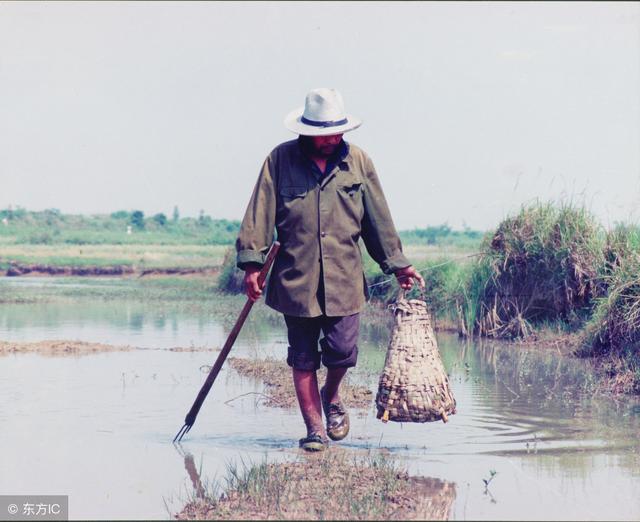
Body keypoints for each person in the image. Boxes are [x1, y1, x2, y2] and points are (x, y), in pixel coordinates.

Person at [235, 88, 424, 451]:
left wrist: (397, 264)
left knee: (343, 352)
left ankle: (331, 393)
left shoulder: (359, 162)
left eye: (337, 132)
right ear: (306, 132)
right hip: (296, 278)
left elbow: (378, 219)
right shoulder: (280, 161)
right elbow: (259, 214)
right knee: (302, 355)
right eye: (324, 134)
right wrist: (252, 265)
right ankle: (314, 430)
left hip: (344, 278)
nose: (332, 139)